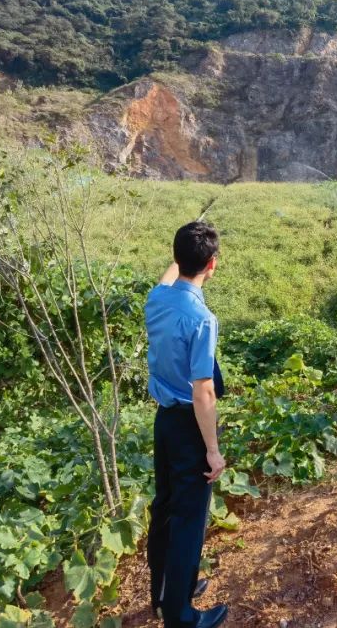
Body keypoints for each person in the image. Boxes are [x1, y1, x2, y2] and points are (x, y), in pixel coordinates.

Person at [145, 222, 229, 628]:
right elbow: (203, 392)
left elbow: (168, 277)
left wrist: (179, 257)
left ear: (178, 259)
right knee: (189, 519)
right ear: (211, 265)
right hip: (189, 425)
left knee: (164, 508)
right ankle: (179, 616)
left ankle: (163, 593)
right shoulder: (202, 318)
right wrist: (212, 450)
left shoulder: (158, 298)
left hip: (164, 423)